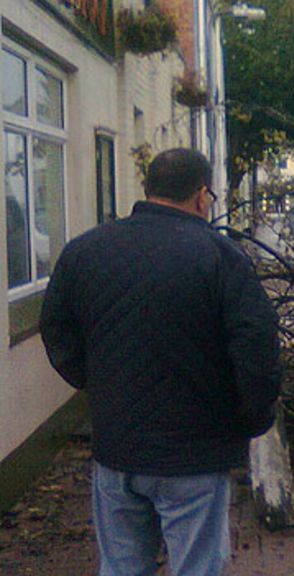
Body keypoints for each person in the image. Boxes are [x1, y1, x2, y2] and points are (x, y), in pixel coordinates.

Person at [40, 148, 281, 576]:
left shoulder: (85, 251)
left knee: (121, 567)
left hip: (118, 448)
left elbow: (57, 331)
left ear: (148, 190)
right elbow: (256, 352)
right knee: (197, 567)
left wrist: (97, 383)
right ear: (203, 196)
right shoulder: (221, 257)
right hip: (195, 455)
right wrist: (249, 419)